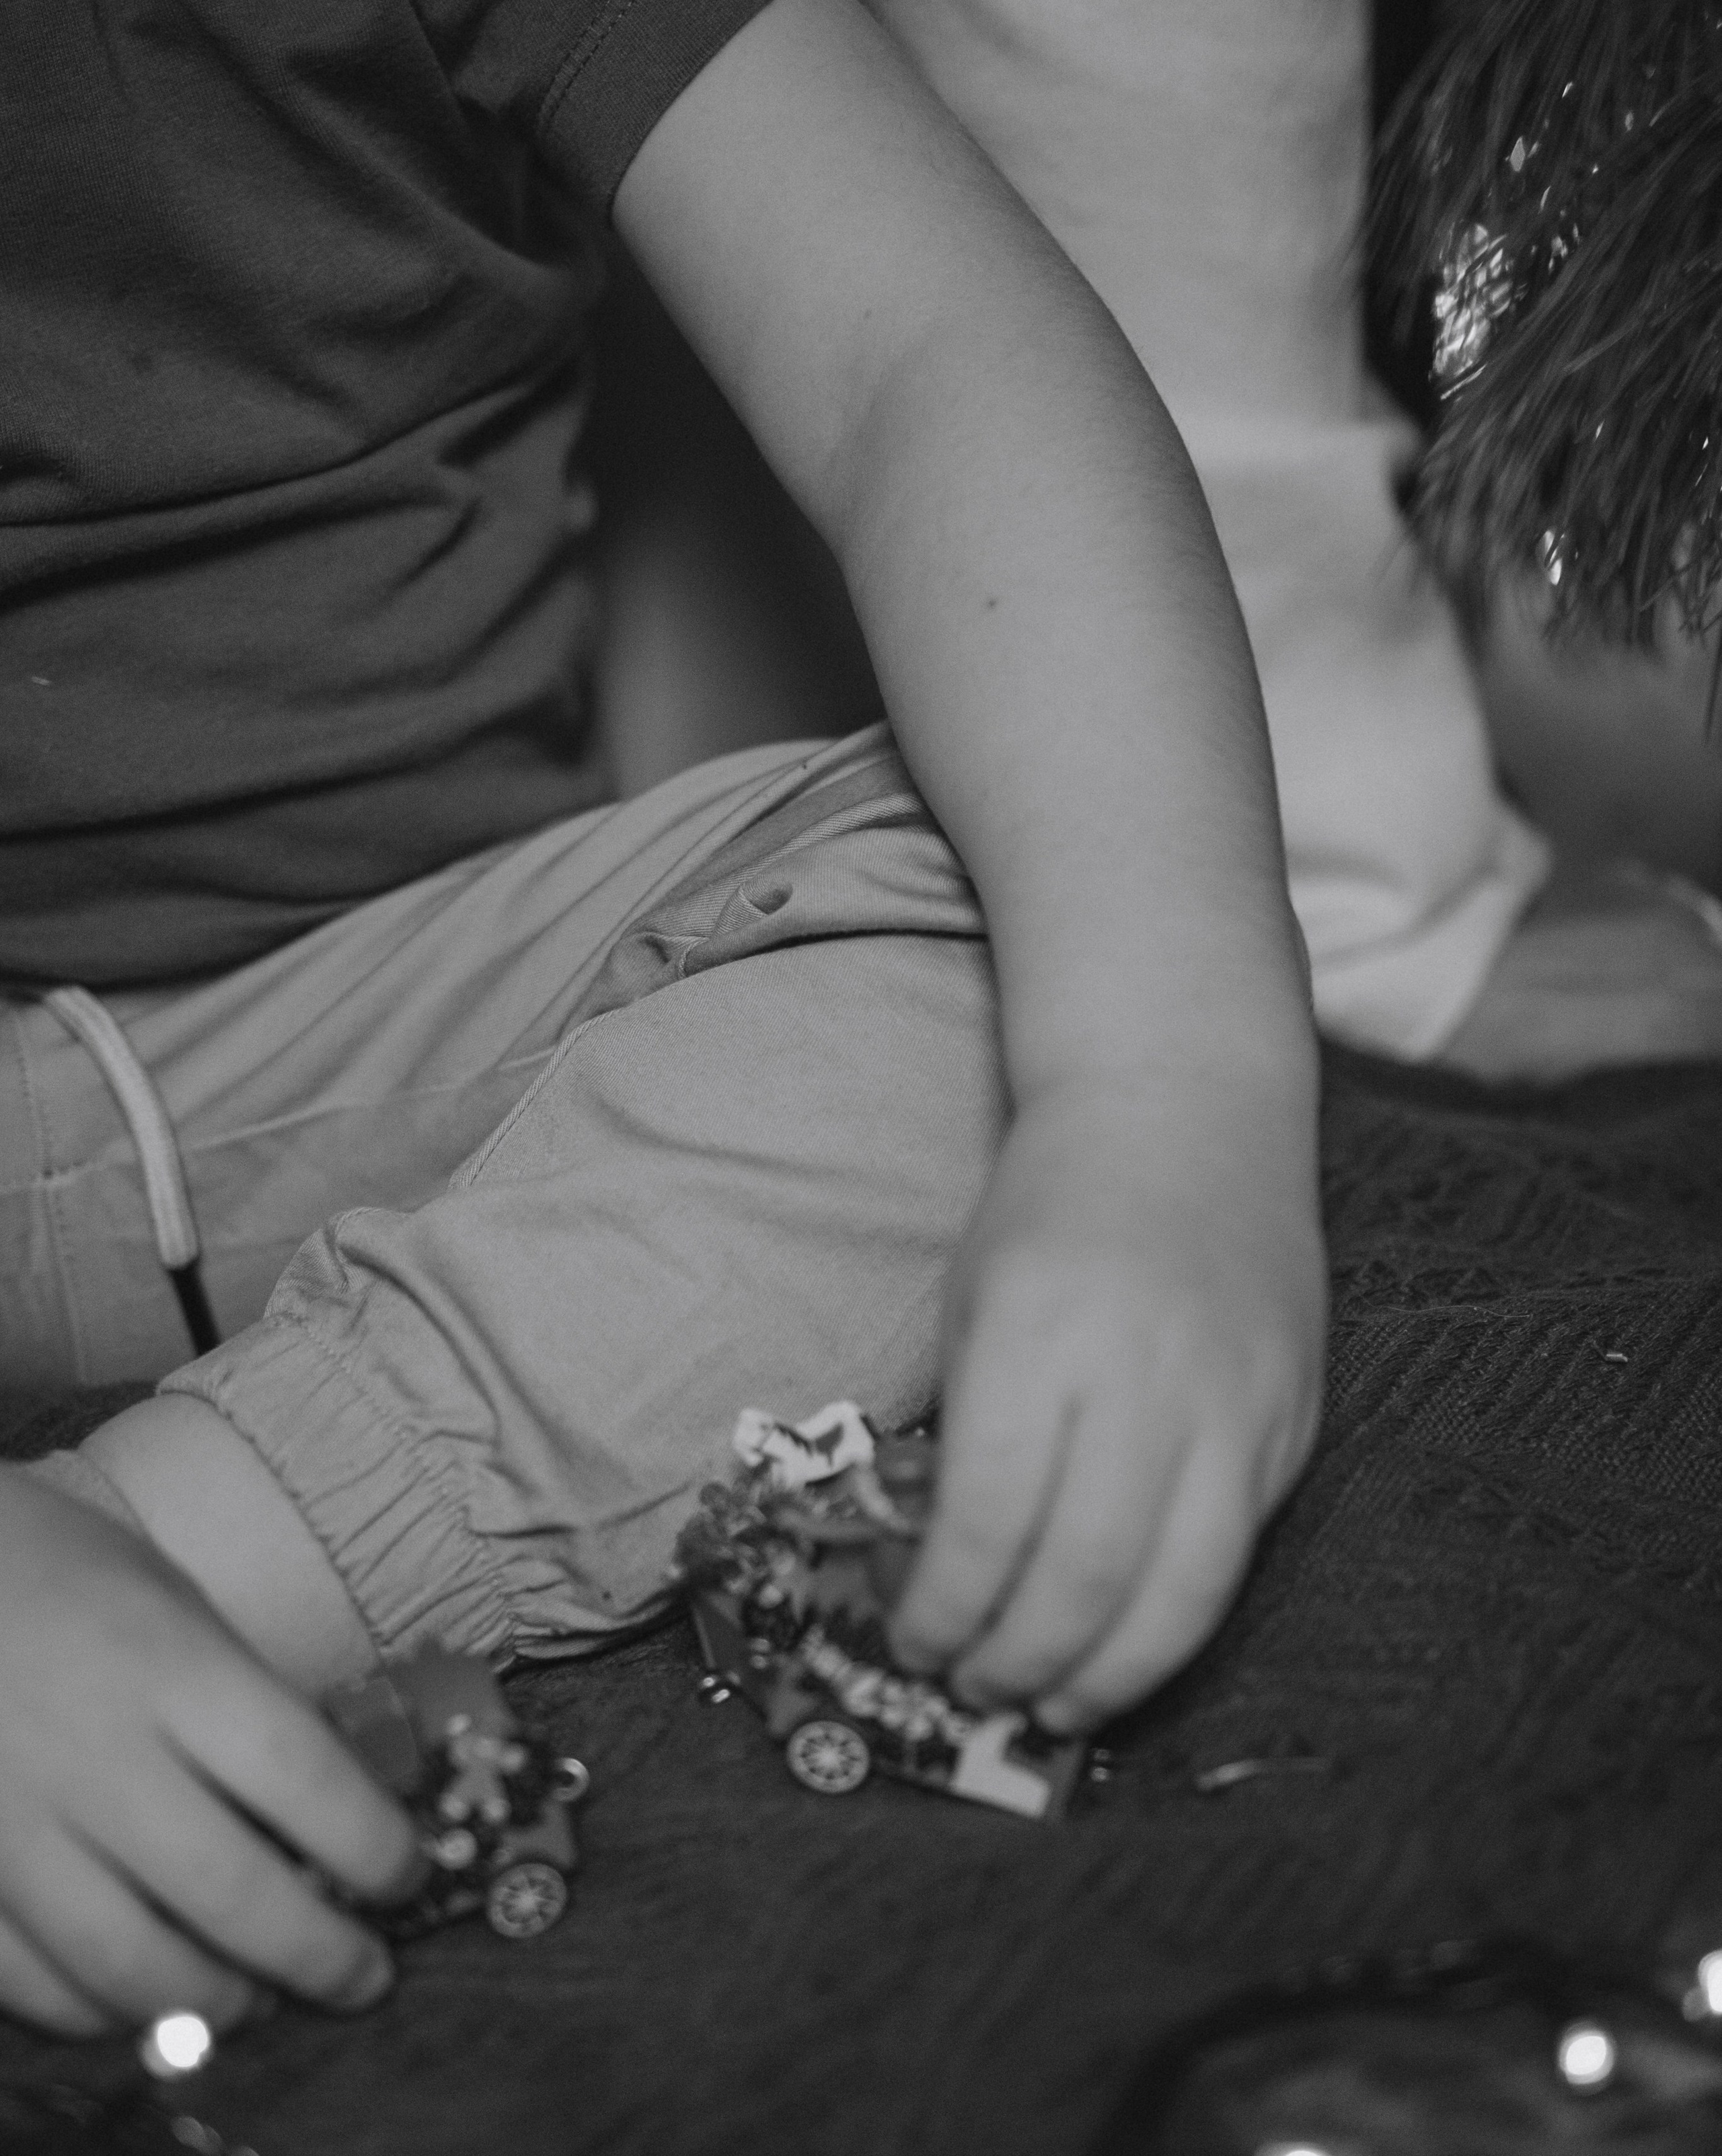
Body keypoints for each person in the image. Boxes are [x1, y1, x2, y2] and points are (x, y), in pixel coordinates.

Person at [0, 0, 1327, 2040]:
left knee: (1000, 889)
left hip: (373, 1029)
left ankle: (170, 1554)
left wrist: (1169, 1097)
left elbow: (929, 353)